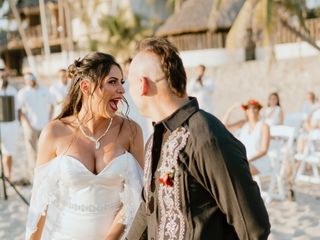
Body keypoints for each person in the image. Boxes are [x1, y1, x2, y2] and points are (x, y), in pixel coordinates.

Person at [126, 37, 270, 239]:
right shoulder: (154, 141)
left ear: (142, 85)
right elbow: (148, 209)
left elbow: (253, 227)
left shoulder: (206, 135)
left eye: (128, 84)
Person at [25, 52, 144, 240]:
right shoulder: (54, 132)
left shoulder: (131, 131)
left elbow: (137, 196)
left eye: (122, 81)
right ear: (86, 87)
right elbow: (40, 202)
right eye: (112, 82)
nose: (122, 89)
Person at [17, 73, 54, 180]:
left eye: (31, 78)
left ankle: (45, 174)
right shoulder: (23, 92)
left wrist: (49, 120)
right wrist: (27, 125)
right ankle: (34, 176)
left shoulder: (44, 90)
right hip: (30, 127)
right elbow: (19, 110)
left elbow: (52, 104)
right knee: (32, 152)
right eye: (27, 79)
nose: (30, 81)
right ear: (25, 81)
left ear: (34, 79)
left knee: (45, 151)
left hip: (44, 126)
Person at [223, 100, 271, 176]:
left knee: (236, 171)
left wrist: (249, 160)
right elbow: (223, 127)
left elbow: (264, 150)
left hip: (258, 161)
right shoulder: (243, 124)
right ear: (246, 111)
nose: (252, 110)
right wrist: (231, 109)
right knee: (226, 166)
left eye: (254, 108)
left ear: (258, 110)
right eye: (249, 108)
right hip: (244, 160)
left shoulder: (264, 126)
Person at [0, 70, 20, 181]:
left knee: (9, 152)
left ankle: (8, 175)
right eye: (1, 76)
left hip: (11, 126)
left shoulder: (13, 90)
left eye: (5, 76)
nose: (3, 78)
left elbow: (17, 108)